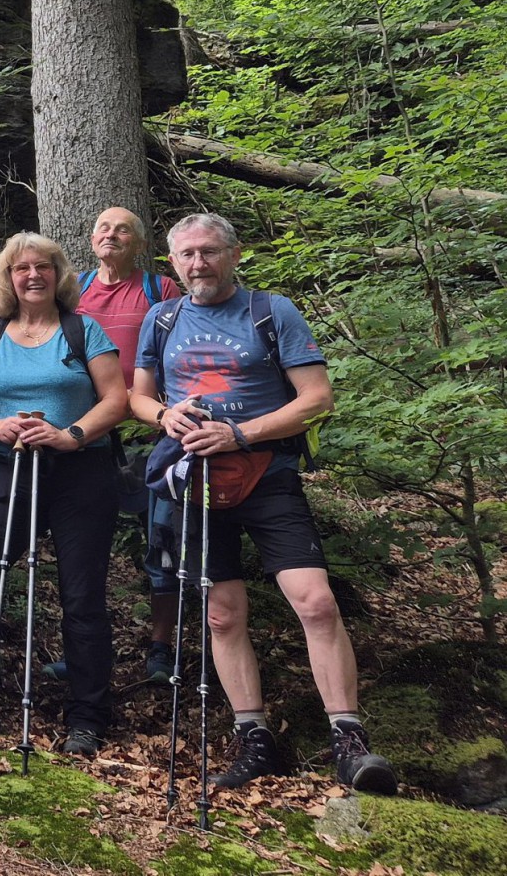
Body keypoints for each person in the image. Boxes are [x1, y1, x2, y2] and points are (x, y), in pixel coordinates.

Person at [132, 213, 397, 795]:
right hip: (196, 479)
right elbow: (138, 396)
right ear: (172, 263)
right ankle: (253, 736)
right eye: (186, 255)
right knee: (222, 614)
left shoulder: (271, 312)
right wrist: (165, 416)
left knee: (316, 602)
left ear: (233, 254)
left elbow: (317, 397)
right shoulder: (163, 317)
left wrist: (240, 434)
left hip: (268, 474)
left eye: (209, 252)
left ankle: (349, 740)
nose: (198, 264)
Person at [0, 232, 128, 757]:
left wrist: (71, 435)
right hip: (11, 468)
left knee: (82, 593)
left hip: (80, 471)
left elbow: (116, 398)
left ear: (58, 274)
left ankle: (88, 715)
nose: (32, 275)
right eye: (21, 268)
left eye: (42, 266)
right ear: (8, 278)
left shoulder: (82, 330)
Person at [76, 206, 181, 684]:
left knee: (161, 545)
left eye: (123, 230)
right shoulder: (73, 289)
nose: (112, 235)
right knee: (85, 548)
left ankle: (161, 648)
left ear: (139, 243)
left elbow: (178, 353)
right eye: (104, 228)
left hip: (150, 436)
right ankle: (87, 650)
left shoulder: (160, 290)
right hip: (89, 436)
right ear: (92, 238)